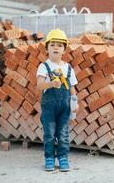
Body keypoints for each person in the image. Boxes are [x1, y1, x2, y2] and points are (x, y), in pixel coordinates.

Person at [36, 28, 79, 172]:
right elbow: (39, 85)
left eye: (60, 45)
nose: (56, 47)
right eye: (52, 44)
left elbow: (72, 87)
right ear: (47, 49)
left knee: (63, 133)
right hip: (49, 106)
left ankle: (63, 158)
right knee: (49, 133)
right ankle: (49, 157)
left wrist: (75, 102)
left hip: (64, 107)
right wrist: (51, 84)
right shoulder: (44, 66)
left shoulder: (68, 68)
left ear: (64, 50)